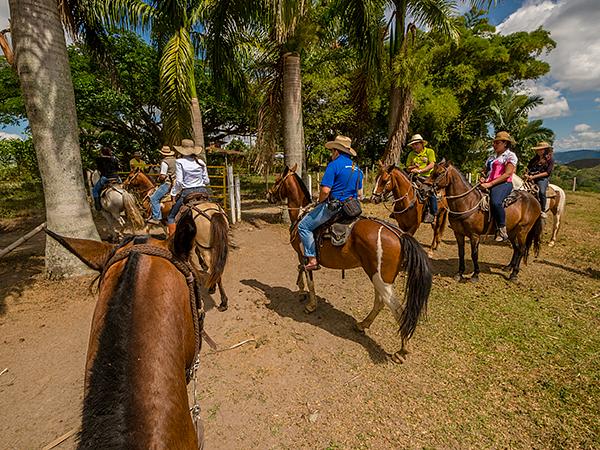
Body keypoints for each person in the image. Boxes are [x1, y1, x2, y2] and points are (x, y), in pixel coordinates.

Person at [298, 135, 363, 271]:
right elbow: (360, 194)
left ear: (336, 151)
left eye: (332, 151)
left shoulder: (334, 165)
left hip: (334, 207)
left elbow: (326, 191)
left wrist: (319, 201)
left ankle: (312, 259)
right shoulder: (357, 169)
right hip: (352, 208)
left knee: (304, 226)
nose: (331, 155)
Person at [166, 139, 210, 235]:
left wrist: (173, 193)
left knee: (171, 217)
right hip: (203, 191)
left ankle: (172, 240)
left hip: (188, 192)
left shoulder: (179, 162)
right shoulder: (201, 162)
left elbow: (179, 182)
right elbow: (207, 181)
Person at [480, 131, 518, 242]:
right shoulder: (491, 157)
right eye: (494, 142)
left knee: (496, 202)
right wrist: (482, 178)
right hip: (488, 182)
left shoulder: (510, 156)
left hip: (503, 183)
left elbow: (507, 174)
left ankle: (501, 228)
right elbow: (485, 171)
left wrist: (490, 184)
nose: (494, 145)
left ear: (505, 143)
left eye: (497, 142)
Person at [405, 134, 437, 223]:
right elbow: (407, 168)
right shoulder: (411, 154)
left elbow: (432, 164)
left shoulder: (429, 152)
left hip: (427, 177)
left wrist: (420, 171)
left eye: (416, 144)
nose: (414, 146)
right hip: (413, 176)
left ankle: (434, 213)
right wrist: (413, 167)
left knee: (430, 192)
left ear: (422, 144)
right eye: (413, 145)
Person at [147, 145, 177, 225]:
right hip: (176, 183)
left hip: (168, 183)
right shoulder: (176, 160)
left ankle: (156, 217)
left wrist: (158, 179)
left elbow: (163, 175)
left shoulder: (164, 162)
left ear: (163, 154)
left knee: (154, 198)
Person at [525, 141, 554, 219]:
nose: (538, 151)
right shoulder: (534, 159)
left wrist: (534, 177)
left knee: (541, 191)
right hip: (531, 178)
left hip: (542, 179)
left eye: (540, 149)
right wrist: (526, 174)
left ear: (545, 150)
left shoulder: (550, 160)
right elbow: (528, 168)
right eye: (538, 149)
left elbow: (547, 173)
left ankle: (543, 210)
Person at [92, 146, 120, 211]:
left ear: (102, 152)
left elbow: (99, 169)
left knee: (95, 190)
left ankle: (98, 207)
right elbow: (117, 168)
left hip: (106, 177)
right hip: (116, 177)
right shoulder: (114, 159)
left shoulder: (99, 159)